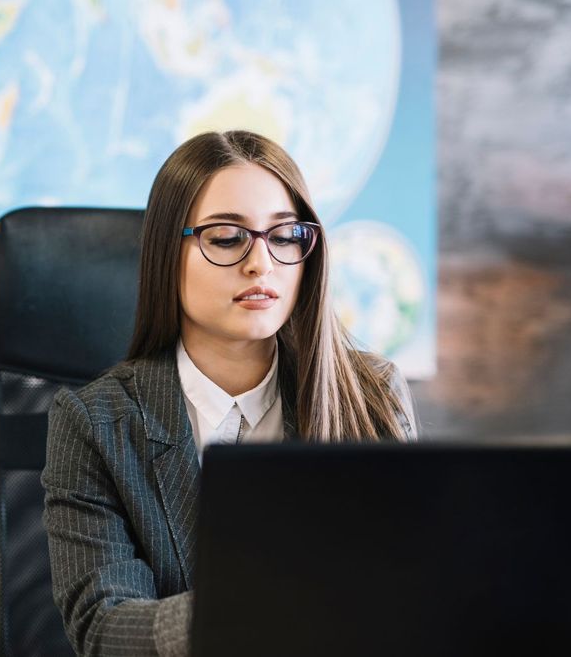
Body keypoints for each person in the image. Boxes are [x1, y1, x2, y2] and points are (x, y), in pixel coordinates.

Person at [40, 130, 419, 657]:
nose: (261, 263)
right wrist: (259, 604)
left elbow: (408, 598)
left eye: (284, 236)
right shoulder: (95, 423)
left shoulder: (371, 394)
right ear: (166, 254)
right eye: (225, 238)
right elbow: (103, 627)